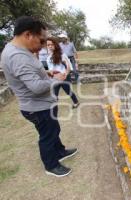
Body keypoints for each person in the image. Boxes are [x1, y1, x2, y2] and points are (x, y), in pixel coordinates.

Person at [0, 16, 77, 177]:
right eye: (41, 41)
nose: (43, 46)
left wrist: (46, 72)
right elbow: (35, 87)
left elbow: (30, 74)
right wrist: (54, 79)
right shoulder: (17, 56)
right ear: (28, 35)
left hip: (42, 104)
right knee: (47, 135)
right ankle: (51, 165)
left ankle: (60, 151)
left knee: (53, 129)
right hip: (37, 107)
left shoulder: (18, 51)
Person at [46, 37, 80, 109]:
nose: (50, 46)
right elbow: (50, 69)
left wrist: (65, 74)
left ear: (55, 45)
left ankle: (76, 102)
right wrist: (51, 74)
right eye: (48, 45)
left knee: (68, 91)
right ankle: (54, 108)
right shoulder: (48, 58)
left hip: (63, 78)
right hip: (54, 79)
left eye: (52, 44)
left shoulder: (62, 55)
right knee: (55, 94)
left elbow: (68, 66)